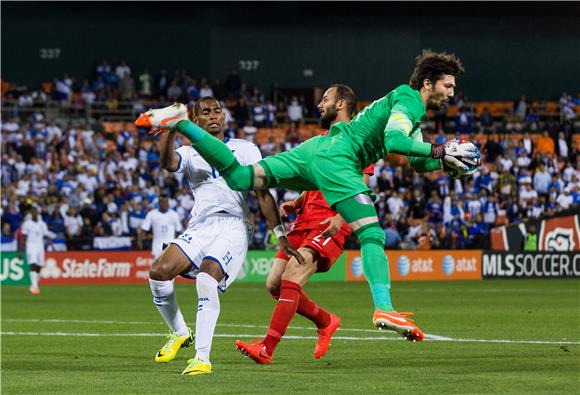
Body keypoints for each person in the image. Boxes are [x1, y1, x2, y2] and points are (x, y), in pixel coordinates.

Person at [136, 50, 478, 340]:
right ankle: (384, 309)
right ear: (428, 82)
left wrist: (445, 163)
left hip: (317, 150)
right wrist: (441, 148)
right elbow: (393, 141)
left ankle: (181, 123)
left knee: (242, 176)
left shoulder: (410, 112)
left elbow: (415, 160)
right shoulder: (408, 97)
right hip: (340, 157)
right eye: (448, 85)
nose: (451, 92)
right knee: (372, 232)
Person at [145, 96, 301, 376]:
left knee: (206, 279)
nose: (214, 115)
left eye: (217, 110)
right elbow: (168, 163)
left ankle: (202, 357)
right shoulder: (190, 152)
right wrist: (170, 128)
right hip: (200, 226)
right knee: (158, 272)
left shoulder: (245, 148)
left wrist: (280, 233)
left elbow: (263, 192)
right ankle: (180, 333)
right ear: (195, 120)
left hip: (234, 225)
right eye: (206, 112)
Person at [235, 85, 374, 364]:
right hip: (303, 221)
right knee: (274, 284)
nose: (320, 104)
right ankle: (325, 321)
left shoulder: (359, 140)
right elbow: (314, 182)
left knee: (292, 278)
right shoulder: (320, 140)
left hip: (329, 223)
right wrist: (296, 203)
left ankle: (267, 348)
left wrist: (341, 216)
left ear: (343, 103)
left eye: (325, 99)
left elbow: (361, 184)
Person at [18, 206, 55, 294]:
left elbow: (46, 235)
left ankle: (34, 285)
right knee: (33, 263)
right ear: (31, 214)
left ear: (38, 213)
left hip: (40, 246)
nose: (35, 214)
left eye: (36, 212)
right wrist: (20, 251)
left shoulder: (42, 224)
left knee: (39, 265)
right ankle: (34, 287)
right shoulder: (27, 223)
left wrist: (52, 245)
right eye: (33, 212)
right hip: (30, 246)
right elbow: (23, 237)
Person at [138, 194, 183, 260]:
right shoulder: (151, 214)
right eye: (162, 202)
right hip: (156, 249)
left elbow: (179, 231)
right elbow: (143, 229)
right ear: (159, 203)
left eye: (166, 202)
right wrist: (140, 242)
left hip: (170, 249)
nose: (164, 204)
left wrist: (177, 246)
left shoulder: (174, 215)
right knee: (156, 270)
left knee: (170, 269)